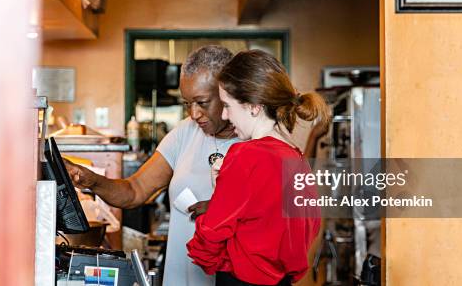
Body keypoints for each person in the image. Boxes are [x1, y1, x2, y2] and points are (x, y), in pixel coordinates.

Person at [65, 45, 240, 286]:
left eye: (202, 102)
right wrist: (89, 180)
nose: (194, 113)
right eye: (187, 103)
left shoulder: (258, 140)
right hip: (182, 278)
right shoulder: (185, 132)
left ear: (228, 92)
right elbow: (135, 190)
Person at [187, 50, 330, 286]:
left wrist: (218, 200)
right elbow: (308, 228)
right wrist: (222, 187)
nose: (224, 114)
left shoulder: (245, 155)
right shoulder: (296, 158)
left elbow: (211, 236)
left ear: (254, 106)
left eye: (227, 105)